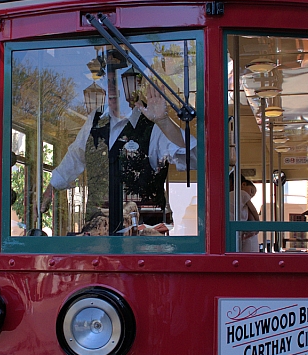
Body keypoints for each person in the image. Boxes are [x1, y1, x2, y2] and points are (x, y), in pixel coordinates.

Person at [42, 67, 196, 235]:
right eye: (109, 83)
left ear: (135, 88)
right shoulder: (95, 121)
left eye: (119, 83)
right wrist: (50, 189)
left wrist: (164, 121)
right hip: (97, 238)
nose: (113, 90)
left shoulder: (154, 124)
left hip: (145, 243)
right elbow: (75, 155)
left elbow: (195, 159)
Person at [230, 175, 260, 252]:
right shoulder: (242, 193)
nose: (250, 196)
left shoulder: (230, 195)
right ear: (243, 185)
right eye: (251, 191)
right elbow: (253, 210)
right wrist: (258, 222)